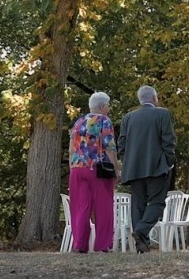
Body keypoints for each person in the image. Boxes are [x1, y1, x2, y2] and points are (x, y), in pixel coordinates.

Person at [117, 84, 176, 254]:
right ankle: (142, 231)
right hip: (157, 166)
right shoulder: (162, 113)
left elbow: (122, 143)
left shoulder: (128, 117)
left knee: (138, 205)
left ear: (140, 99)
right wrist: (169, 161)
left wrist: (127, 161)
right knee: (157, 202)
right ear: (154, 98)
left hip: (134, 168)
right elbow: (168, 140)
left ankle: (141, 245)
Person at [67, 91, 120, 253]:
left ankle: (80, 244)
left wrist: (72, 167)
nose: (109, 109)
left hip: (77, 168)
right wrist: (116, 170)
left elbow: (71, 149)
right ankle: (103, 244)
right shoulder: (103, 121)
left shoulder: (79, 122)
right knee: (103, 206)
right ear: (102, 106)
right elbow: (109, 147)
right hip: (97, 168)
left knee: (81, 207)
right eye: (108, 105)